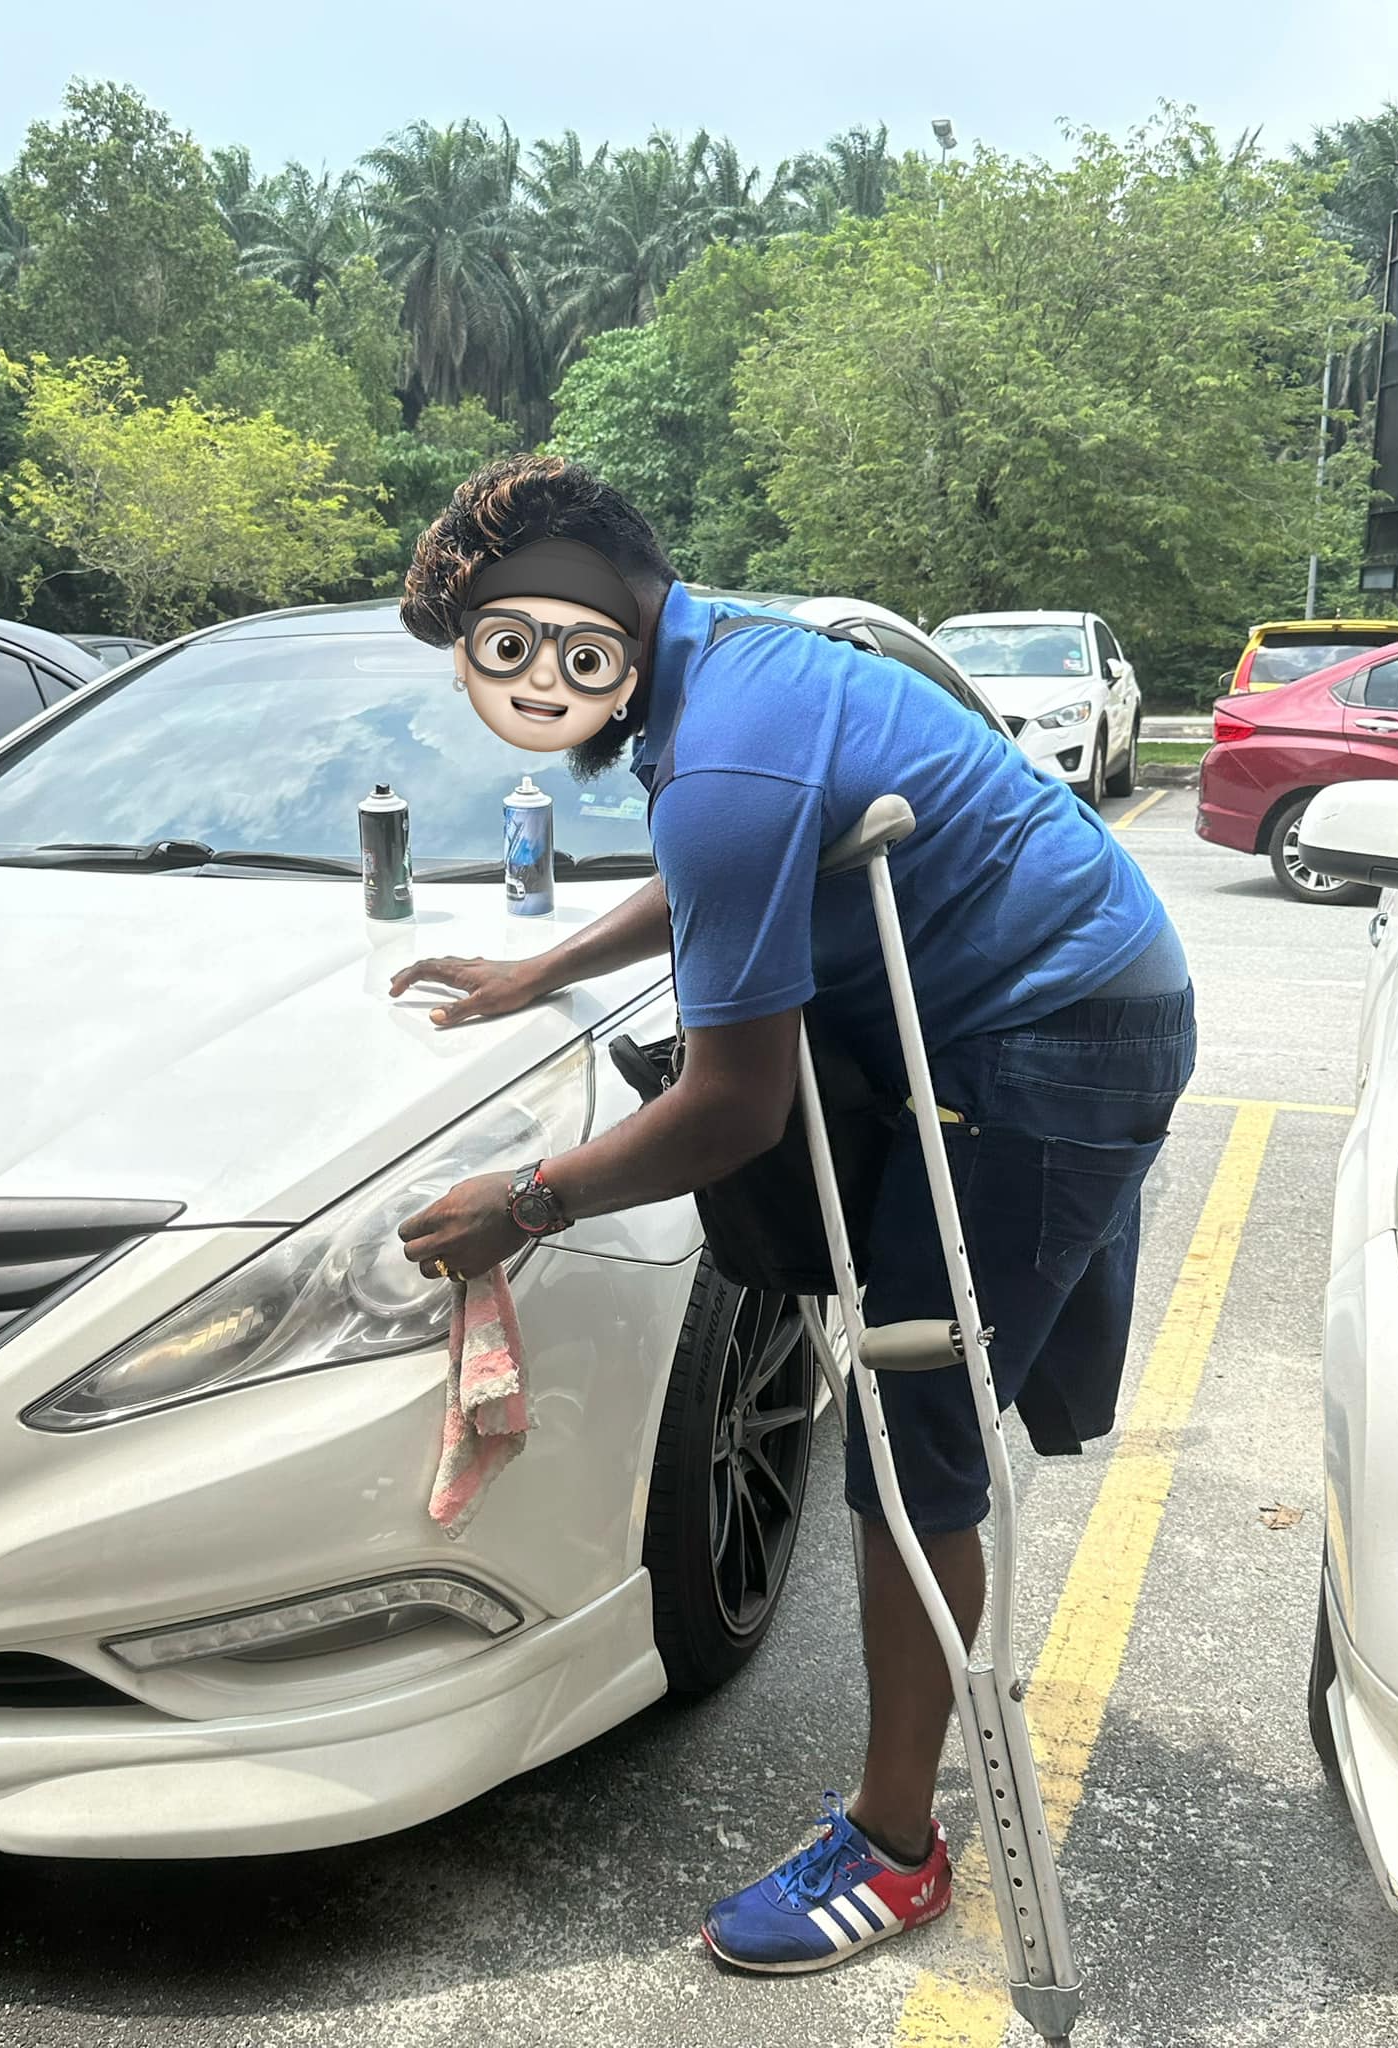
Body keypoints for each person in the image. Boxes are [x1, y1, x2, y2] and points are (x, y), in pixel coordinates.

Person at [391, 454, 1196, 1976]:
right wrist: (534, 971)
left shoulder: (723, 746)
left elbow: (733, 1108)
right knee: (916, 1410)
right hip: (1068, 994)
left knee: (909, 1444)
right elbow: (722, 871)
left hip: (1051, 1035)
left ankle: (900, 1851)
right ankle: (908, 1786)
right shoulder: (729, 663)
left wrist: (522, 1203)